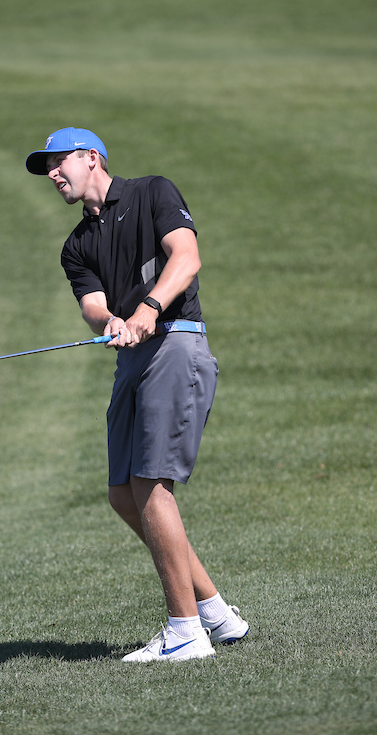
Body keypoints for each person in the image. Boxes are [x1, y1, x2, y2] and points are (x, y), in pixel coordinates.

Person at [26, 127, 249, 663]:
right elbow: (92, 305)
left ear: (91, 157)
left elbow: (186, 258)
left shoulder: (153, 192)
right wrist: (114, 321)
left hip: (176, 344)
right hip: (133, 360)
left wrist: (148, 309)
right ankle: (215, 614)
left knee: (151, 484)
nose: (53, 175)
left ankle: (185, 632)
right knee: (124, 494)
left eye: (59, 163)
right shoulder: (76, 244)